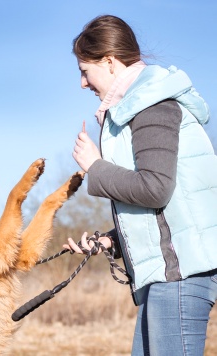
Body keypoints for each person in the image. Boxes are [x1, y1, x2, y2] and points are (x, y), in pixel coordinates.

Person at [64, 14, 217, 356]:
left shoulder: (152, 105)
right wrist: (111, 239)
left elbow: (155, 188)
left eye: (84, 71)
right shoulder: (139, 106)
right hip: (165, 276)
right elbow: (167, 207)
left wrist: (95, 167)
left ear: (109, 61)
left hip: (178, 277)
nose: (83, 84)